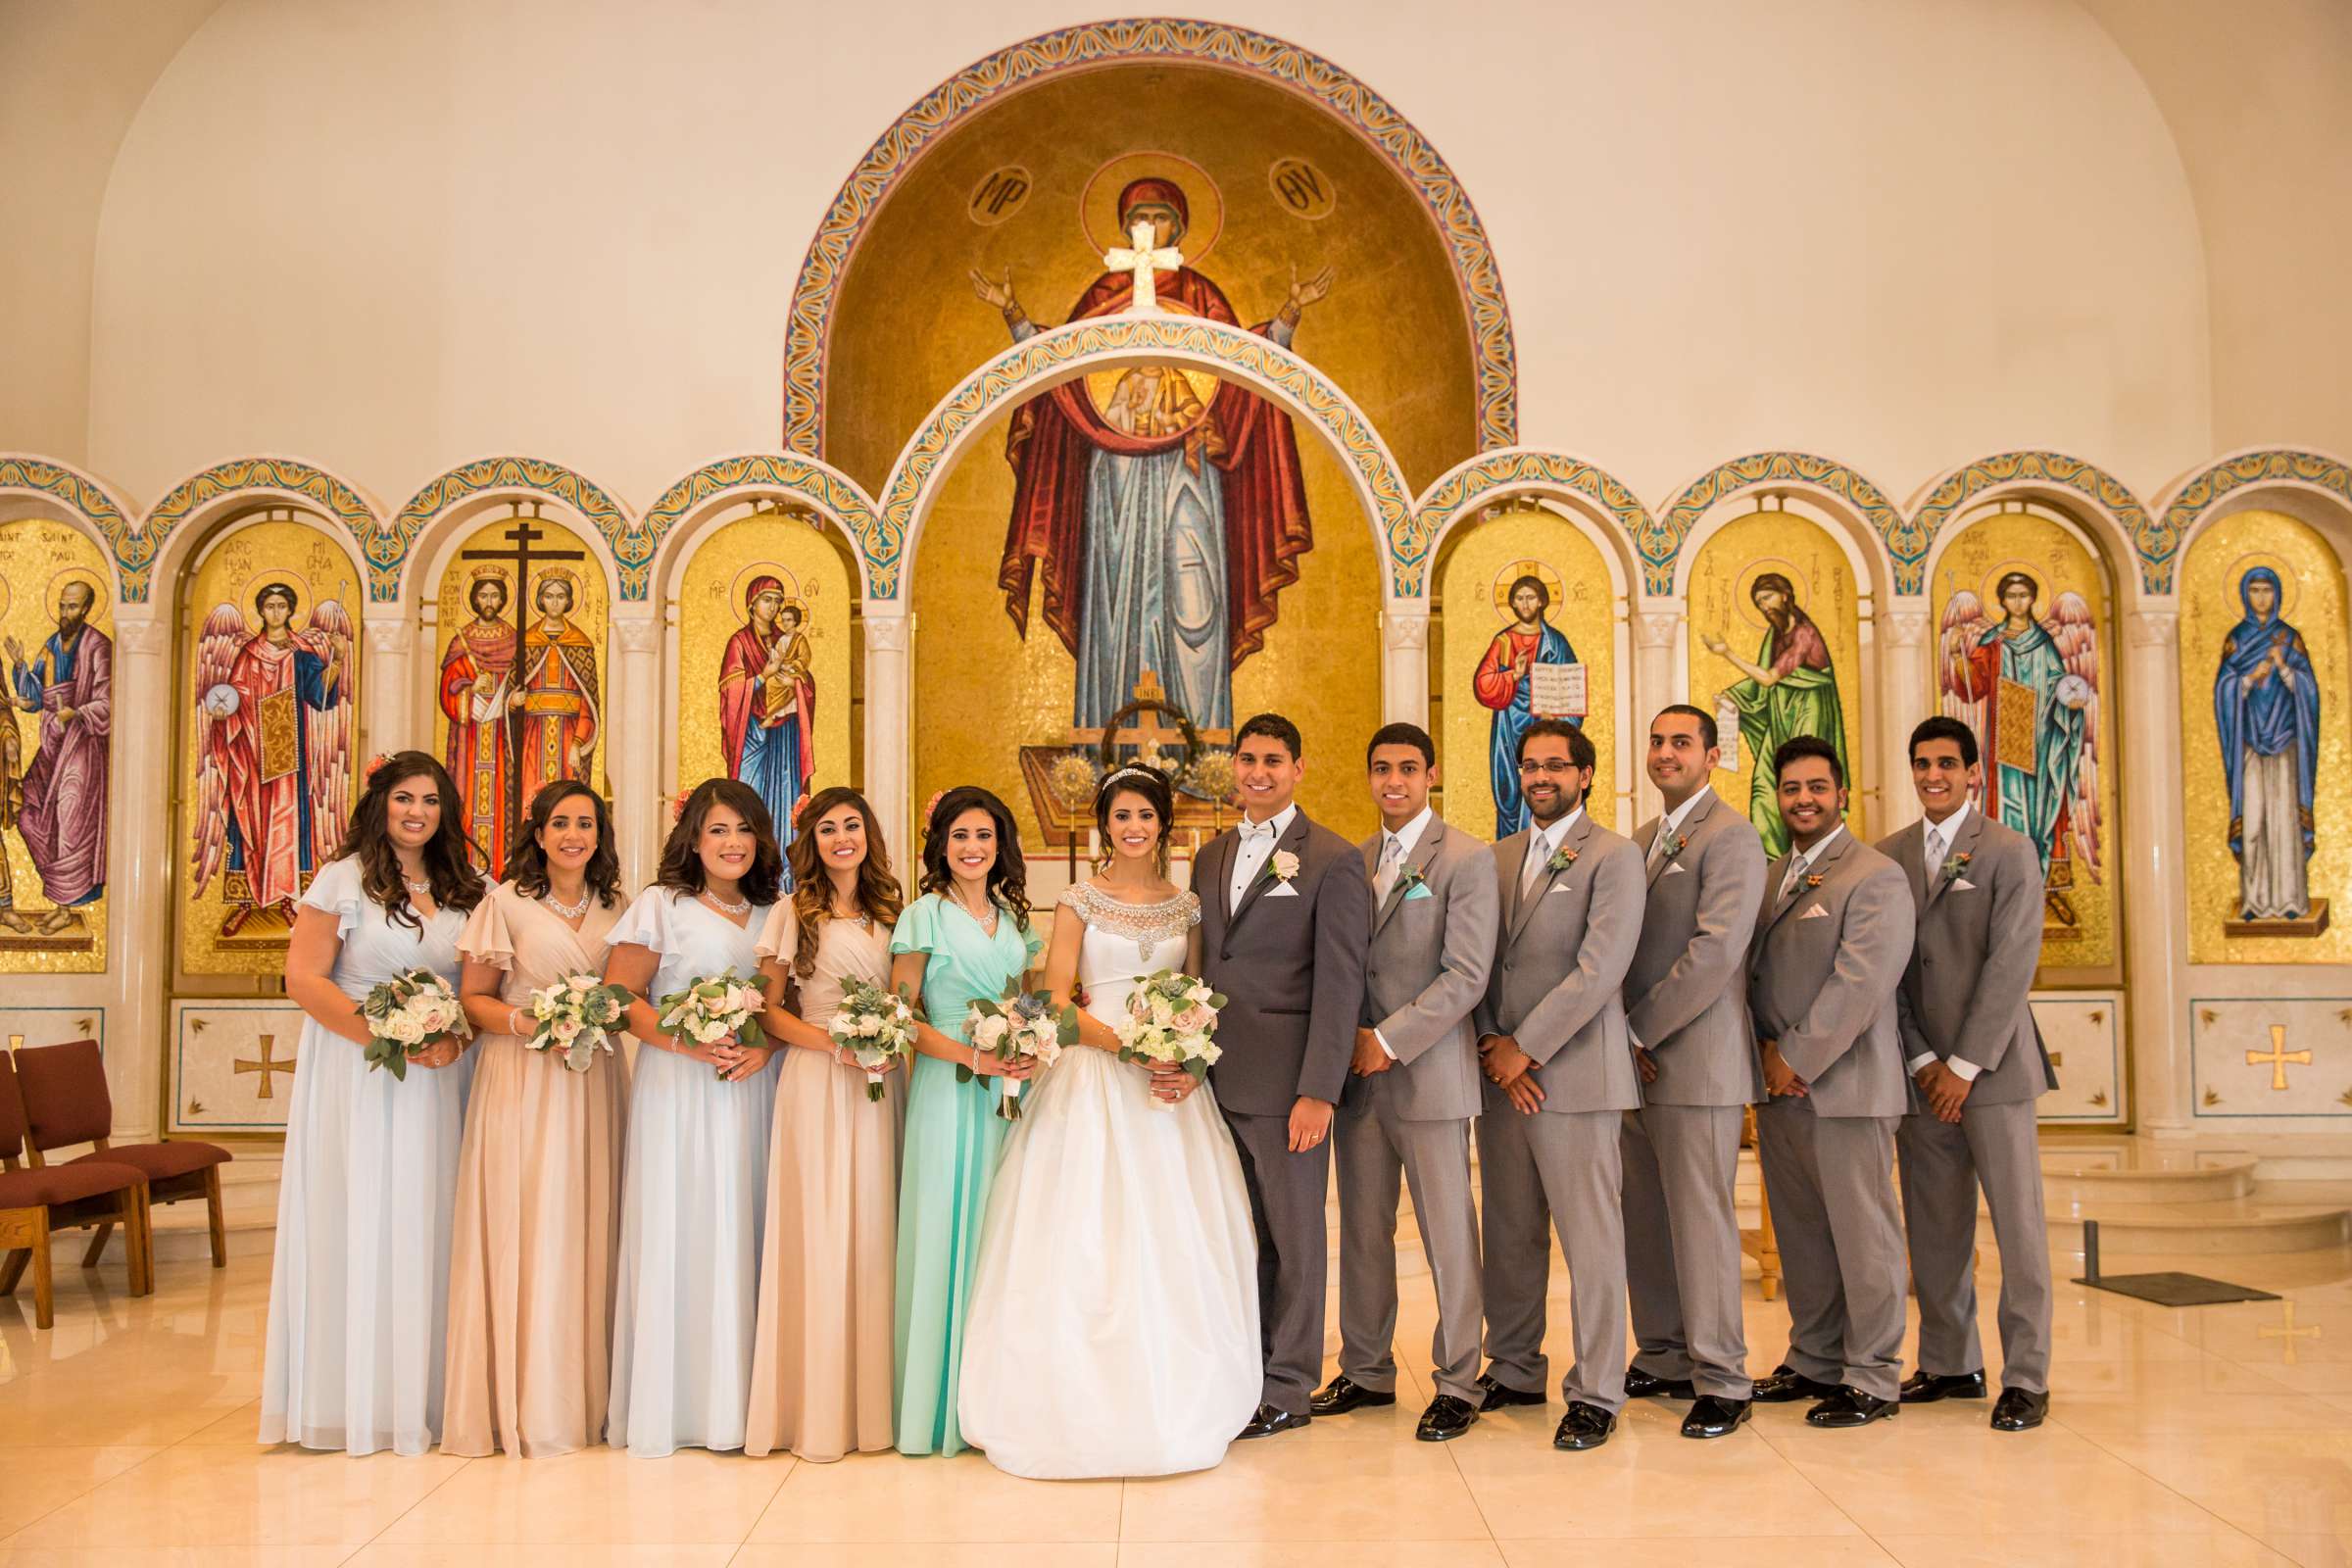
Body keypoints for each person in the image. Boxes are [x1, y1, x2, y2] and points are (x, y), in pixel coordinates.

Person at [958, 764, 1261, 1477]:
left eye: (1145, 817)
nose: (1133, 827)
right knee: (1081, 1231)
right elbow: (1058, 1002)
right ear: (1106, 824)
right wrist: (1126, 1044)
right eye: (1121, 816)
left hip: (1162, 1086)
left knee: (1171, 1230)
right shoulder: (1077, 900)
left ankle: (1177, 1384)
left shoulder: (1186, 905)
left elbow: (1194, 993)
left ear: (1163, 824)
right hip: (1094, 1074)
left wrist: (1181, 1055)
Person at [975, 178, 1333, 733]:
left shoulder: (1202, 297)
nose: (1149, 228)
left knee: (1197, 594)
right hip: (1114, 474)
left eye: (1160, 216)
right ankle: (1107, 739)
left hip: (1190, 471)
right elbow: (1059, 371)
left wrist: (1288, 313)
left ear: (1179, 227)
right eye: (1138, 217)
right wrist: (1014, 314)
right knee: (1115, 599)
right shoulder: (1101, 299)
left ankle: (1205, 743)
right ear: (1123, 228)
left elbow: (1247, 366)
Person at [261, 751, 486, 1454]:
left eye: (430, 801)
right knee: (364, 1215)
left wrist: (453, 1037)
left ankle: (434, 1393)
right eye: (404, 799)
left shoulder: (466, 886)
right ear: (380, 804)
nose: (416, 813)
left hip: (442, 1078)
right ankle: (352, 1396)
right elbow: (303, 978)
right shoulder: (343, 879)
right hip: (361, 1075)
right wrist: (388, 1034)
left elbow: (480, 985)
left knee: (432, 1218)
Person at [1313, 723, 1494, 1442]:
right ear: (1368, 777)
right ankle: (1366, 1369)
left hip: (1429, 1072)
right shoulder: (1353, 861)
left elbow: (1468, 974)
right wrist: (1351, 1047)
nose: (1394, 781)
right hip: (1361, 1079)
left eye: (1408, 769)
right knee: (1361, 1230)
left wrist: (1389, 1039)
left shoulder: (1466, 860)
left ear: (1431, 776)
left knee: (1449, 1232)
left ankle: (1457, 1379)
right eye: (1382, 768)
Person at [1194, 712, 1370, 1439]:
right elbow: (1208, 960)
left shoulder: (1330, 858)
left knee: (1295, 1239)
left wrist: (1319, 1091)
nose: (1257, 772)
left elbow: (1341, 984)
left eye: (1272, 760)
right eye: (1246, 759)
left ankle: (1290, 1384)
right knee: (1242, 1236)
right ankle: (1245, 1370)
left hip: (1288, 1087)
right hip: (1215, 1080)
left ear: (1299, 768)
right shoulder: (1210, 855)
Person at [1471, 720, 1645, 1451]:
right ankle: (1513, 1366)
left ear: (1585, 775)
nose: (1540, 777)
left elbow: (1599, 971)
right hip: (1500, 1077)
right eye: (1530, 765)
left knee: (1590, 1239)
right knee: (1509, 1233)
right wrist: (1492, 1045)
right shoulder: (1496, 856)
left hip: (1571, 1075)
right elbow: (1475, 959)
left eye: (1555, 766)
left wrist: (1527, 1049)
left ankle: (1598, 1389)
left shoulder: (1614, 857)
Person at [1881, 716, 2058, 1433]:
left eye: (1946, 763)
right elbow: (1889, 968)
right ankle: (1951, 1362)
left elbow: (2012, 964)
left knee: (2018, 1228)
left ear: (1973, 771)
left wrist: (1963, 1065)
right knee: (1934, 1227)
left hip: (1995, 1072)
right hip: (1923, 1076)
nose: (1933, 775)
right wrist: (1923, 1059)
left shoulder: (2010, 852)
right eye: (1921, 763)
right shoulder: (1889, 856)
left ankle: (2026, 1374)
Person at [441, 781, 628, 1457]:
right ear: (539, 833)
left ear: (600, 834)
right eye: (560, 823)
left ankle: (589, 1399)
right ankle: (526, 1401)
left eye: (586, 823)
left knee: (589, 1222)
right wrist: (533, 1022)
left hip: (597, 1077)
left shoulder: (619, 907)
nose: (573, 834)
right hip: (523, 1075)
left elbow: (632, 993)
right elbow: (474, 1000)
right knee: (530, 1220)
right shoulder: (505, 904)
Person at [602, 779, 785, 1456]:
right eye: (717, 830)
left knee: (748, 1225)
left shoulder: (777, 911)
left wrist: (763, 1048)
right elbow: (621, 997)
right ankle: (679, 1406)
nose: (732, 843)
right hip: (680, 1088)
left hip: (754, 1090)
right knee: (687, 1226)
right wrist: (687, 1040)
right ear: (693, 839)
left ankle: (749, 1403)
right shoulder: (662, 906)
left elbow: (783, 1006)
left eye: (743, 830)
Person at [1748, 736, 1916, 1428]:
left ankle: (1874, 1374)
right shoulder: (1771, 875)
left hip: (1844, 1087)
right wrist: (1762, 1052)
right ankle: (1814, 1356)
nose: (1804, 800)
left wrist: (1796, 1056)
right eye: (1791, 789)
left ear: (1841, 793)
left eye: (1817, 787)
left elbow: (1862, 982)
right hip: (1780, 1089)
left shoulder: (1873, 876)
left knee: (1862, 1232)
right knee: (1802, 1234)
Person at [744, 787, 906, 1461]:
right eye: (829, 828)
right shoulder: (793, 910)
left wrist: (880, 1040)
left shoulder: (893, 911)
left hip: (883, 1080)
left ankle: (876, 1403)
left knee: (874, 1224)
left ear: (870, 834)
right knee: (819, 1227)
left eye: (854, 826)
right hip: (818, 1078)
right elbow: (768, 1012)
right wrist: (833, 1044)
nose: (843, 838)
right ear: (810, 840)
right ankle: (813, 1404)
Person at [1619, 705, 1767, 1439]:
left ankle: (1723, 1377)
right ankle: (1665, 1353)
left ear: (1711, 756)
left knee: (1701, 1220)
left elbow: (1714, 953)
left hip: (1694, 1059)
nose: (1666, 753)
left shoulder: (1733, 837)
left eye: (1682, 743)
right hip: (1634, 1065)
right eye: (1657, 741)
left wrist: (1637, 1029)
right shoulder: (1646, 839)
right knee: (1645, 1218)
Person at [890, 786, 1044, 1457]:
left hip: (1008, 1094)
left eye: (984, 836)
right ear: (940, 846)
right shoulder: (923, 915)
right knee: (946, 1227)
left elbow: (1033, 999)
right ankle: (935, 1408)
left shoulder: (1014, 918)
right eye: (960, 837)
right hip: (949, 1088)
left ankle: (995, 1399)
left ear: (999, 844)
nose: (973, 848)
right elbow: (899, 1015)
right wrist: (971, 1057)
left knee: (999, 1235)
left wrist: (1028, 1045)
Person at [1705, 571, 1846, 859]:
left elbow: (1769, 678)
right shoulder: (1776, 634)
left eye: (1767, 598)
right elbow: (1761, 685)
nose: (1764, 607)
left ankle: (1817, 855)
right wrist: (1734, 695)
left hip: (1809, 711)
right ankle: (1769, 862)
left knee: (1806, 778)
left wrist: (1727, 653)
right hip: (1779, 713)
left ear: (1785, 595)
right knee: (1763, 787)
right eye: (1758, 603)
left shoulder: (1804, 633)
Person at [2215, 564, 2320, 921]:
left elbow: (2309, 692)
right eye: (2256, 590)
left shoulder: (2289, 639)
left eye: (2268, 590)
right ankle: (2256, 901)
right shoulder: (2236, 639)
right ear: (2246, 595)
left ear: (2278, 594)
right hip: (2250, 744)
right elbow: (2223, 691)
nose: (2262, 598)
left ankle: (2290, 900)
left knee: (2284, 820)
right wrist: (2246, 680)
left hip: (2286, 741)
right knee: (2256, 818)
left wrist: (2285, 669)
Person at [5, 579, 111, 928]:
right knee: (29, 811)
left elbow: (110, 701)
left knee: (69, 821)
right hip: (52, 742)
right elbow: (36, 695)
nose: (66, 613)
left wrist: (79, 712)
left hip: (82, 744)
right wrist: (20, 666)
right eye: (63, 605)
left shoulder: (98, 646)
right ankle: (57, 895)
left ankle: (67, 910)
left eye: (73, 606)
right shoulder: (51, 645)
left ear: (86, 608)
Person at [718, 578, 816, 879]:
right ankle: (750, 869)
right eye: (766, 600)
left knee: (787, 796)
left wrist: (797, 683)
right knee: (751, 795)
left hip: (784, 734)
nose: (772, 607)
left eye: (777, 600)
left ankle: (788, 872)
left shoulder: (785, 638)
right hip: (751, 734)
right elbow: (730, 689)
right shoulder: (740, 642)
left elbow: (805, 679)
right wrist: (762, 676)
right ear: (751, 604)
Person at [1473, 574, 1580, 838]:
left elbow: (1571, 692)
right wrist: (1514, 675)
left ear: (1542, 600)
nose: (1525, 603)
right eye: (1519, 598)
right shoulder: (1504, 642)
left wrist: (1556, 719)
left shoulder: (1556, 642)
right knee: (1510, 788)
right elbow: (1483, 684)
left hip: (1547, 728)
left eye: (1530, 597)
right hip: (1509, 728)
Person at [439, 572, 518, 869]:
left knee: (501, 801)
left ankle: (502, 864)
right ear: (474, 598)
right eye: (483, 595)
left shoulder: (512, 638)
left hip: (502, 735)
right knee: (467, 798)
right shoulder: (462, 640)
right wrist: (470, 686)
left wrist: (509, 699)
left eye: (494, 596)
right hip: (469, 737)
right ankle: (463, 864)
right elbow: (449, 685)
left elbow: (520, 682)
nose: (489, 602)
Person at [515, 571, 600, 806]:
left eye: (560, 596)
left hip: (567, 732)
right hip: (533, 734)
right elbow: (510, 689)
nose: (554, 602)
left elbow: (588, 704)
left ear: (569, 601)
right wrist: (513, 701)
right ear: (540, 600)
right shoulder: (527, 640)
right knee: (530, 797)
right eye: (549, 596)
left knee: (568, 799)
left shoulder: (580, 643)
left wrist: (577, 743)